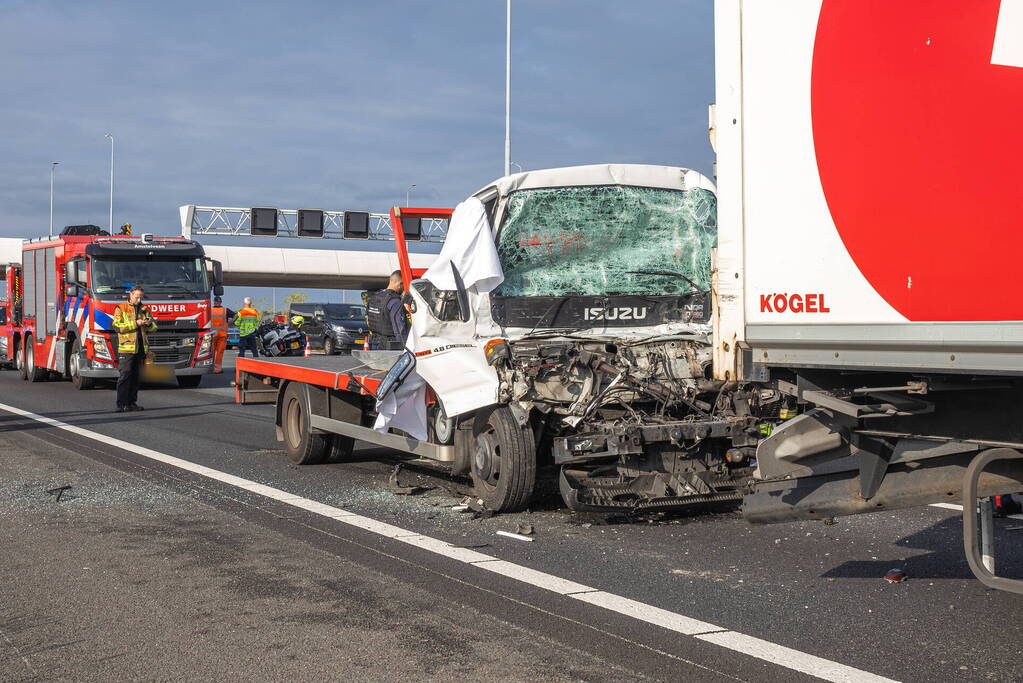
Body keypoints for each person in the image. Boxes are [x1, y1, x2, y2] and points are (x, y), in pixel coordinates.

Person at [111, 285, 158, 413]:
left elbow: (154, 327)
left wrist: (149, 323)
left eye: (141, 297)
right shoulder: (121, 308)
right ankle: (121, 404)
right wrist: (135, 323)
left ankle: (132, 403)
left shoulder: (145, 309)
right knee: (125, 376)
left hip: (141, 348)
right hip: (127, 349)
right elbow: (117, 326)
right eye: (137, 297)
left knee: (136, 377)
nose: (138, 300)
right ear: (130, 294)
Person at [366, 270, 410, 349]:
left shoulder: (374, 297)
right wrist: (405, 348)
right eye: (404, 285)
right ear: (400, 284)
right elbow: (400, 329)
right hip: (389, 348)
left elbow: (368, 319)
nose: (404, 289)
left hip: (374, 344)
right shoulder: (395, 302)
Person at [210, 296, 235, 373]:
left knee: (212, 352)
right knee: (219, 352)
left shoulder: (210, 310)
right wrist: (230, 323)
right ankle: (217, 369)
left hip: (213, 335)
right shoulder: (225, 310)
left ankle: (211, 368)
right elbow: (236, 315)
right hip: (222, 335)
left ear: (214, 302)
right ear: (221, 302)